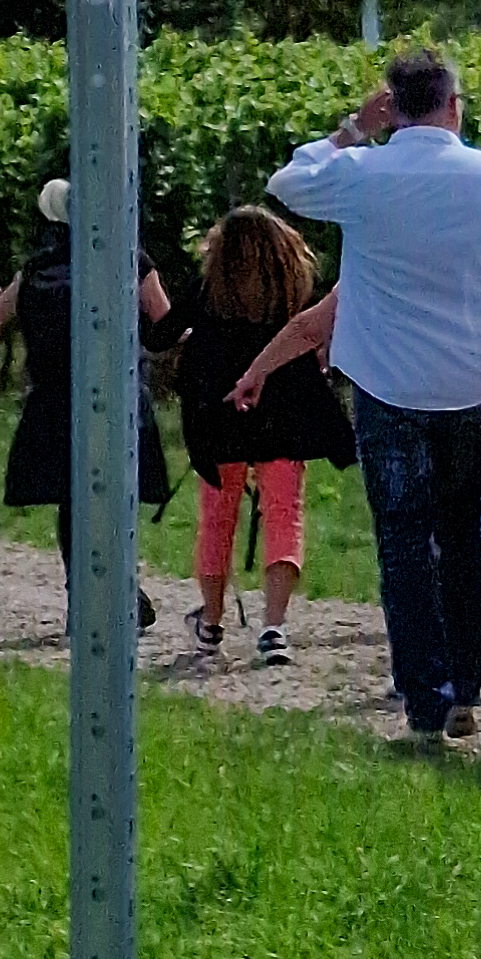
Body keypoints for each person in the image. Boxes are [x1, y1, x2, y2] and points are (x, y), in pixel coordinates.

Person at [275, 49, 481, 745]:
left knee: (402, 537)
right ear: (454, 105)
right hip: (470, 378)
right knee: (463, 531)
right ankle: (466, 672)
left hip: (386, 380)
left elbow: (288, 182)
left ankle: (423, 694)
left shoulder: (363, 174)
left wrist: (349, 129)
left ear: (391, 106)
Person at [170, 202, 342, 667]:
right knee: (285, 513)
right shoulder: (294, 291)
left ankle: (210, 621)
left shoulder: (208, 291)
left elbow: (159, 332)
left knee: (217, 517)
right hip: (283, 414)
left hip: (219, 412)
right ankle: (274, 625)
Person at [0, 172, 174, 580]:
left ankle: (80, 590)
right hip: (120, 397)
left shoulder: (36, 268)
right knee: (117, 494)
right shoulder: (131, 258)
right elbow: (166, 322)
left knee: (73, 500)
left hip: (54, 400)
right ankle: (121, 585)